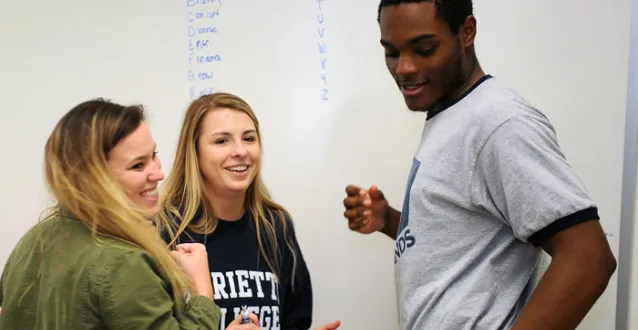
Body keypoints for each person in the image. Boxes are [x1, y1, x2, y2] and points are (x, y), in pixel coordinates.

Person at [342, 1, 617, 329]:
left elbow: (588, 258)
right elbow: (459, 240)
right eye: (391, 52)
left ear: (467, 32)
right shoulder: (451, 115)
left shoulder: (498, 122)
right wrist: (389, 220)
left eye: (424, 49)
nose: (404, 68)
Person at [0, 98, 260, 329]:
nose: (159, 173)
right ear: (93, 179)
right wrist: (203, 292)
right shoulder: (126, 261)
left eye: (154, 155)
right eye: (138, 165)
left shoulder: (33, 241)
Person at [157, 93, 338, 330]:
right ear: (195, 153)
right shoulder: (165, 228)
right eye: (222, 141)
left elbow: (296, 318)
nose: (241, 151)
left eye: (249, 138)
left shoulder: (276, 225)